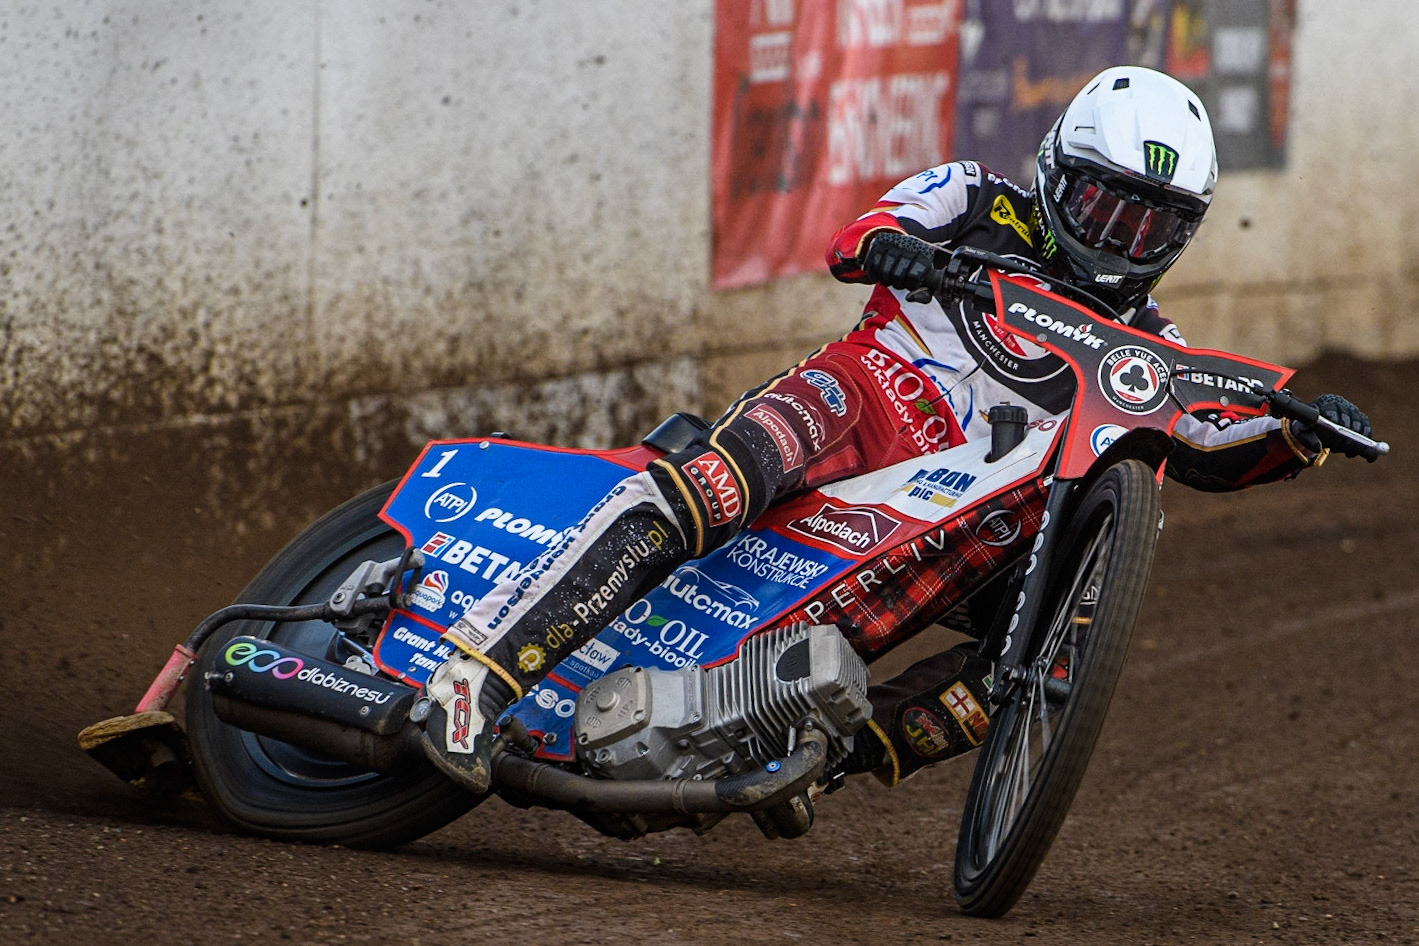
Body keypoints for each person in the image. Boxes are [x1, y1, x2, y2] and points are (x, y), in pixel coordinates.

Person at [416, 66, 1372, 793]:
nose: (1117, 239)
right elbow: (855, 239)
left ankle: (807, 756)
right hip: (869, 392)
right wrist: (913, 256)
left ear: (1182, 235)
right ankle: (481, 677)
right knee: (714, 483)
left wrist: (1296, 436)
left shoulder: (1152, 342)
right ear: (1055, 171)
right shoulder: (974, 196)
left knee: (1020, 663)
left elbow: (1205, 440)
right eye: (1100, 206)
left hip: (960, 508)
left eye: (1148, 225)